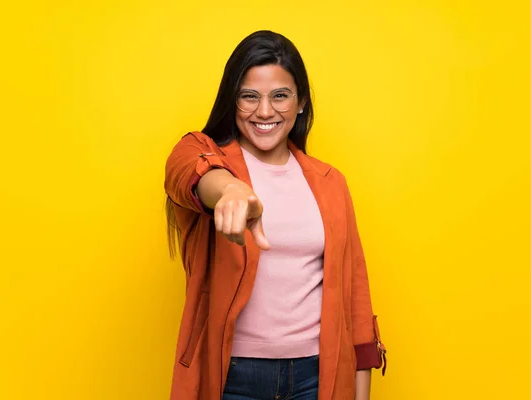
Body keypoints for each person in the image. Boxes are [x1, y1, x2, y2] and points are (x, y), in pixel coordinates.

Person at [164, 30, 386, 400]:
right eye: (249, 96)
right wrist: (231, 190)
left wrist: (361, 391)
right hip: (233, 377)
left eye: (280, 96)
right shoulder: (207, 158)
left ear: (300, 102)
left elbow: (356, 298)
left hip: (315, 375)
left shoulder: (331, 183)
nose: (264, 111)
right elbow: (185, 170)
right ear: (231, 103)